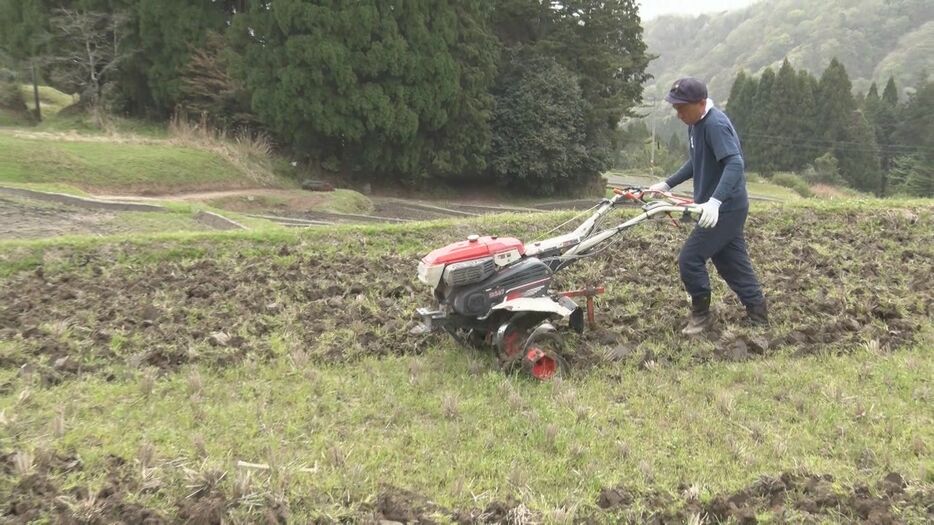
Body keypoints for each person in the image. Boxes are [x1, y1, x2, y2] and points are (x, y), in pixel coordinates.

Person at [648, 77, 767, 335]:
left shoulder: (714, 124)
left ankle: (701, 317)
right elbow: (696, 161)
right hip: (722, 207)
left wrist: (715, 202)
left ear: (701, 103)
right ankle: (758, 313)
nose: (678, 114)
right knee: (730, 262)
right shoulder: (696, 123)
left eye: (682, 108)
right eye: (675, 108)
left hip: (725, 208)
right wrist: (667, 185)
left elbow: (735, 163)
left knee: (690, 259)